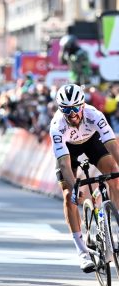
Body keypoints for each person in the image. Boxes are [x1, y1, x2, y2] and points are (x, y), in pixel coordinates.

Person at [49, 83, 119, 273]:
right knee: (68, 195)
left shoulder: (94, 114)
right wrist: (74, 188)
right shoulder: (57, 126)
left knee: (113, 172)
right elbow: (64, 163)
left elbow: (112, 146)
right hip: (69, 151)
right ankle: (82, 251)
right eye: (66, 110)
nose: (72, 114)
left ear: (82, 105)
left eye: (75, 108)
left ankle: (117, 228)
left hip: (91, 142)